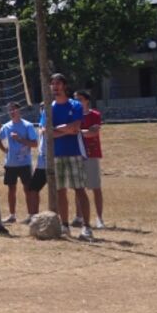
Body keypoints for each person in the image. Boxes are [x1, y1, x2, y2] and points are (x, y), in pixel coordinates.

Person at [46, 74, 93, 241]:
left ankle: (86, 227)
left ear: (64, 86)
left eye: (58, 83)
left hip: (74, 152)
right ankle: (65, 225)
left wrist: (56, 129)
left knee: (80, 190)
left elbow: (76, 127)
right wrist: (65, 130)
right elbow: (46, 132)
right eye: (52, 84)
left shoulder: (75, 105)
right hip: (56, 154)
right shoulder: (48, 108)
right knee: (60, 191)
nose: (55, 86)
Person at [0, 102, 39, 223]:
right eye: (10, 110)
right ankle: (12, 215)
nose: (12, 112)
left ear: (19, 110)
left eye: (14, 109)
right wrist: (5, 150)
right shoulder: (6, 126)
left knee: (28, 189)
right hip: (10, 164)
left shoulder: (27, 125)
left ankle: (31, 215)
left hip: (25, 163)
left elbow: (35, 144)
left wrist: (19, 139)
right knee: (11, 189)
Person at [75, 90, 105, 228]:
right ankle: (79, 217)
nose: (77, 102)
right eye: (75, 99)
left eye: (79, 99)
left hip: (91, 154)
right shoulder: (73, 115)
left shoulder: (95, 115)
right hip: (76, 154)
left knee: (95, 187)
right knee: (78, 187)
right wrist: (83, 131)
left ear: (87, 100)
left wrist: (77, 131)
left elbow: (93, 133)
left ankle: (99, 218)